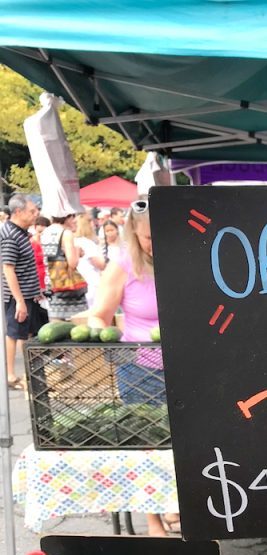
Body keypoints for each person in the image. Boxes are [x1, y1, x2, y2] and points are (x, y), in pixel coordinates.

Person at [88, 197, 179, 537]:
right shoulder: (123, 266)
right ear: (134, 233)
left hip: (183, 369)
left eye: (161, 236)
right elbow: (99, 314)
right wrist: (102, 336)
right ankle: (154, 520)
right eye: (148, 238)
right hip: (140, 372)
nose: (154, 245)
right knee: (147, 448)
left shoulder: (182, 259)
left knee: (182, 444)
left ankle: (179, 508)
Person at [1, 193, 47, 389]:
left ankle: (29, 374)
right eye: (32, 211)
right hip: (16, 295)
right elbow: (8, 268)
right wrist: (19, 300)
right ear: (18, 212)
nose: (35, 214)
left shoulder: (20, 233)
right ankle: (10, 375)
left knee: (25, 333)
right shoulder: (11, 235)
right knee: (14, 333)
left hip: (26, 293)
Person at [40, 212, 88, 321]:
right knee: (77, 325)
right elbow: (72, 263)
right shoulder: (66, 233)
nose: (75, 220)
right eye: (73, 217)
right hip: (67, 285)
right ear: (67, 217)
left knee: (56, 325)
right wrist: (77, 251)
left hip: (52, 282)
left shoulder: (45, 232)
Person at [74, 213, 105, 307]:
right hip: (93, 283)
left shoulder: (74, 241)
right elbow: (100, 264)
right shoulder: (87, 243)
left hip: (81, 283)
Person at [29, 215, 50, 294]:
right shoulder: (30, 242)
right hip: (35, 278)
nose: (41, 234)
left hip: (47, 277)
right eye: (40, 231)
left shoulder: (48, 243)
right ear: (35, 227)